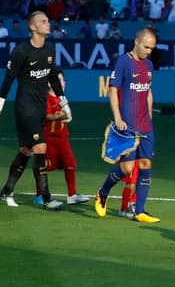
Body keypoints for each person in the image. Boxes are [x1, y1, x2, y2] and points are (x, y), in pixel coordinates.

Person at [0, 11, 69, 210]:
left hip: (40, 107)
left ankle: (7, 190)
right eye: (43, 21)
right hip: (25, 107)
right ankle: (47, 198)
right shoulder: (21, 51)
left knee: (26, 151)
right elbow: (8, 79)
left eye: (48, 21)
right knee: (40, 148)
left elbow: (52, 77)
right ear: (32, 27)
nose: (48, 24)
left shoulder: (49, 48)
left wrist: (63, 102)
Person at [95, 28, 161, 223]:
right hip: (127, 124)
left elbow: (148, 91)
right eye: (147, 47)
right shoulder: (124, 62)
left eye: (152, 48)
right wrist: (117, 118)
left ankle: (139, 211)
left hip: (145, 125)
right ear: (137, 42)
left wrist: (149, 117)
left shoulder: (149, 65)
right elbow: (113, 90)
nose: (149, 51)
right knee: (126, 168)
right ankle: (103, 191)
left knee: (145, 164)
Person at [38, 72, 89, 205]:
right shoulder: (46, 98)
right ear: (49, 83)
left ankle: (72, 195)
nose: (62, 83)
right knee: (44, 167)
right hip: (49, 138)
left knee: (70, 165)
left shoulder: (63, 100)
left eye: (63, 80)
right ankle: (39, 195)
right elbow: (46, 116)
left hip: (63, 138)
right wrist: (60, 116)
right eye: (58, 80)